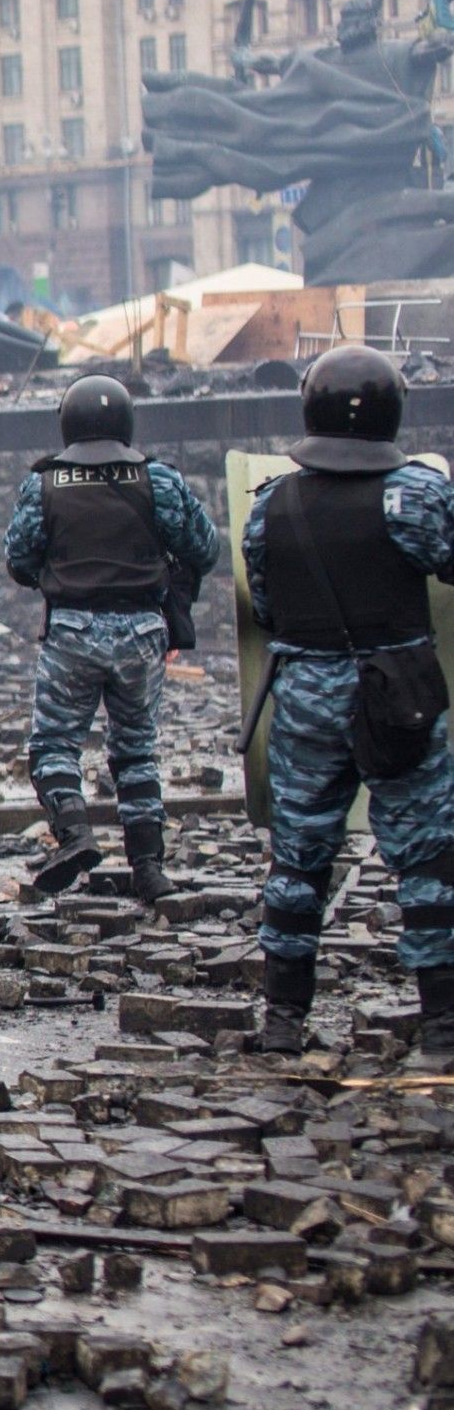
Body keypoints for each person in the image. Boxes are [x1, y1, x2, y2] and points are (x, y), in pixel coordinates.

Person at [243, 345, 454, 1054]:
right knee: (426, 856)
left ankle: (282, 1019)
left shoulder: (274, 501)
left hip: (304, 693)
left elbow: (266, 606)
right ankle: (442, 1021)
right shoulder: (413, 494)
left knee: (299, 855)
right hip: (399, 693)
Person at [4, 375, 223, 900]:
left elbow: (18, 560)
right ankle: (148, 869)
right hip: (142, 632)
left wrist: (59, 579)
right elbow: (205, 547)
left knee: (54, 745)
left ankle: (76, 833)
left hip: (72, 630)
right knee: (136, 751)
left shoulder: (44, 485)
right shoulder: (160, 480)